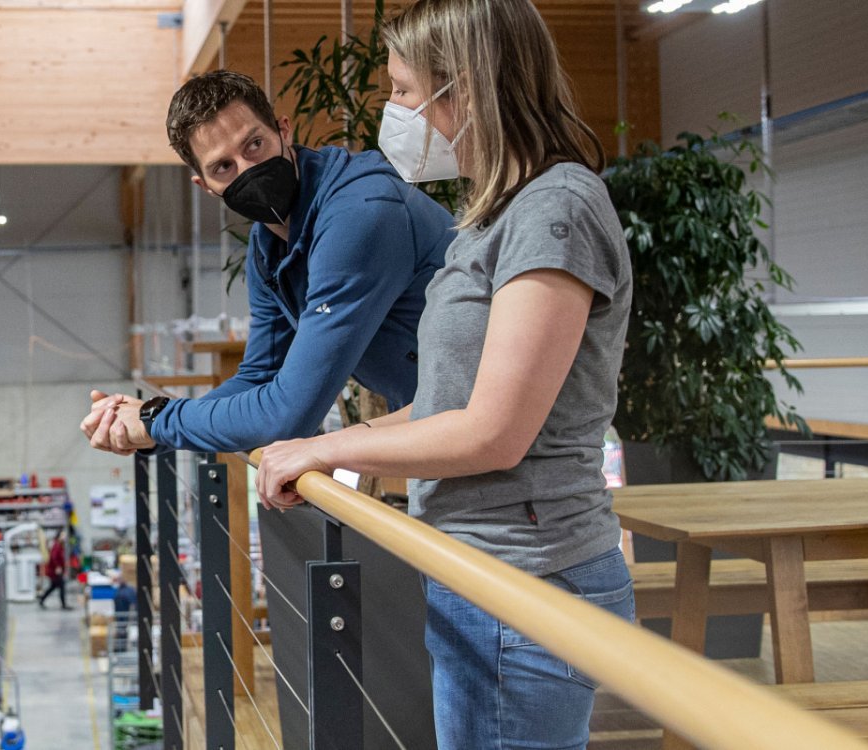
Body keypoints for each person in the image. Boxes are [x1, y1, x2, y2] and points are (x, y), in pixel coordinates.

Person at [253, 1, 634, 746]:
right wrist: (333, 442)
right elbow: (445, 403)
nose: (390, 110)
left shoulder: (555, 210)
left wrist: (326, 450)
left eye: (401, 90)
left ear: (464, 89)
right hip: (479, 570)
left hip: (528, 578)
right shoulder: (493, 213)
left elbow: (493, 433)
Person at [81, 70, 455, 456]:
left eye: (254, 145)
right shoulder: (267, 246)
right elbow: (259, 378)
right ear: (205, 186)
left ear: (284, 130)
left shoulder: (359, 214)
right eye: (223, 167)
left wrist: (156, 420)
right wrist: (147, 426)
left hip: (484, 429)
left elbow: (288, 415)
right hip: (436, 426)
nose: (248, 169)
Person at [36, 530, 68, 610]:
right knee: (61, 586)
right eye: (63, 535)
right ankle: (63, 605)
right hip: (55, 571)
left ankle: (42, 599)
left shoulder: (60, 545)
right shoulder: (57, 545)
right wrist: (58, 567)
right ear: (59, 536)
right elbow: (53, 557)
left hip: (56, 571)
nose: (64, 537)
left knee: (53, 587)